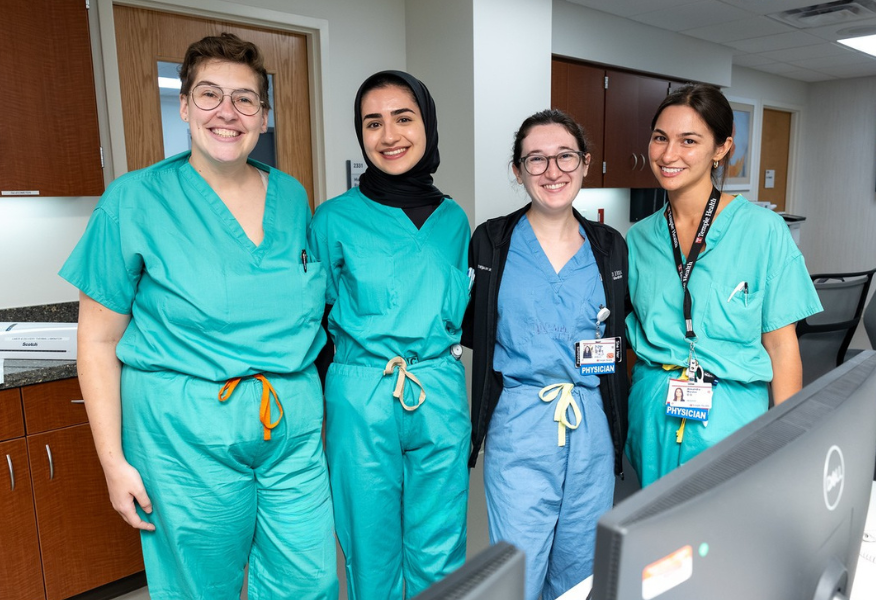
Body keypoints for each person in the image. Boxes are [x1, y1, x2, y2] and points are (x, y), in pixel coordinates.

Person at [59, 33, 337, 600]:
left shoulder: (291, 195)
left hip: (292, 429)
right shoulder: (133, 201)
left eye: (245, 99)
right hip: (184, 435)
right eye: (209, 95)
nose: (227, 113)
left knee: (309, 581)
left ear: (262, 115)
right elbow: (96, 342)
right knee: (197, 587)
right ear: (184, 106)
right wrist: (113, 462)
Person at [309, 70, 471, 600]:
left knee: (441, 545)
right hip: (362, 393)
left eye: (404, 118)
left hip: (439, 389)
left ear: (427, 124)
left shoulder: (454, 221)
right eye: (372, 123)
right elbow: (316, 321)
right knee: (370, 547)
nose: (389, 135)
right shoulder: (332, 219)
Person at [463, 109, 629, 600]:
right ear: (517, 170)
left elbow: (622, 336)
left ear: (585, 164)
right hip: (520, 426)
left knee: (580, 574)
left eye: (565, 157)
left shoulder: (610, 247)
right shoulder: (491, 242)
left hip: (591, 429)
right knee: (518, 571)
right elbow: (473, 327)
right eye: (536, 160)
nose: (552, 171)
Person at [625, 83, 822, 487]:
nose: (668, 154)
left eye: (689, 140)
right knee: (658, 539)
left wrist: (788, 437)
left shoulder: (763, 230)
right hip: (654, 412)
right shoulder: (639, 238)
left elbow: (782, 346)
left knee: (726, 540)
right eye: (660, 138)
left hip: (731, 414)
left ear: (721, 148)